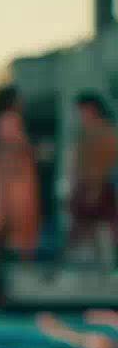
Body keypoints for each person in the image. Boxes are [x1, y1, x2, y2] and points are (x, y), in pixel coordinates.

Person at [0, 85, 42, 260]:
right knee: (20, 222)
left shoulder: (4, 120)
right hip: (17, 178)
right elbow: (13, 149)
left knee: (12, 223)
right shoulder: (10, 119)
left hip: (14, 177)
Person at [67, 91, 118, 264]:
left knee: (103, 236)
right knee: (85, 238)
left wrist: (95, 188)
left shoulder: (106, 132)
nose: (81, 116)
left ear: (93, 110)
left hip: (100, 189)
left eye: (83, 111)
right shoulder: (83, 134)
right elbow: (76, 166)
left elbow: (107, 163)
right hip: (84, 189)